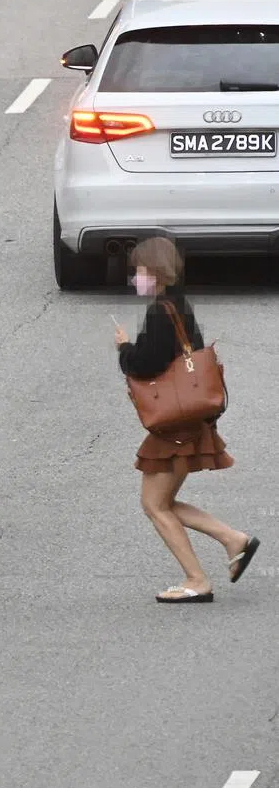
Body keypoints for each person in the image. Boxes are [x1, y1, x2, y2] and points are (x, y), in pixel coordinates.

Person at [114, 236, 259, 603]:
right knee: (161, 502)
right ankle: (232, 539)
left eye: (139, 271)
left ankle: (197, 579)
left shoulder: (161, 312)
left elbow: (147, 364)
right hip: (190, 420)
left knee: (154, 504)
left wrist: (124, 349)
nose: (136, 279)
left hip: (175, 425)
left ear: (155, 271)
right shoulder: (178, 306)